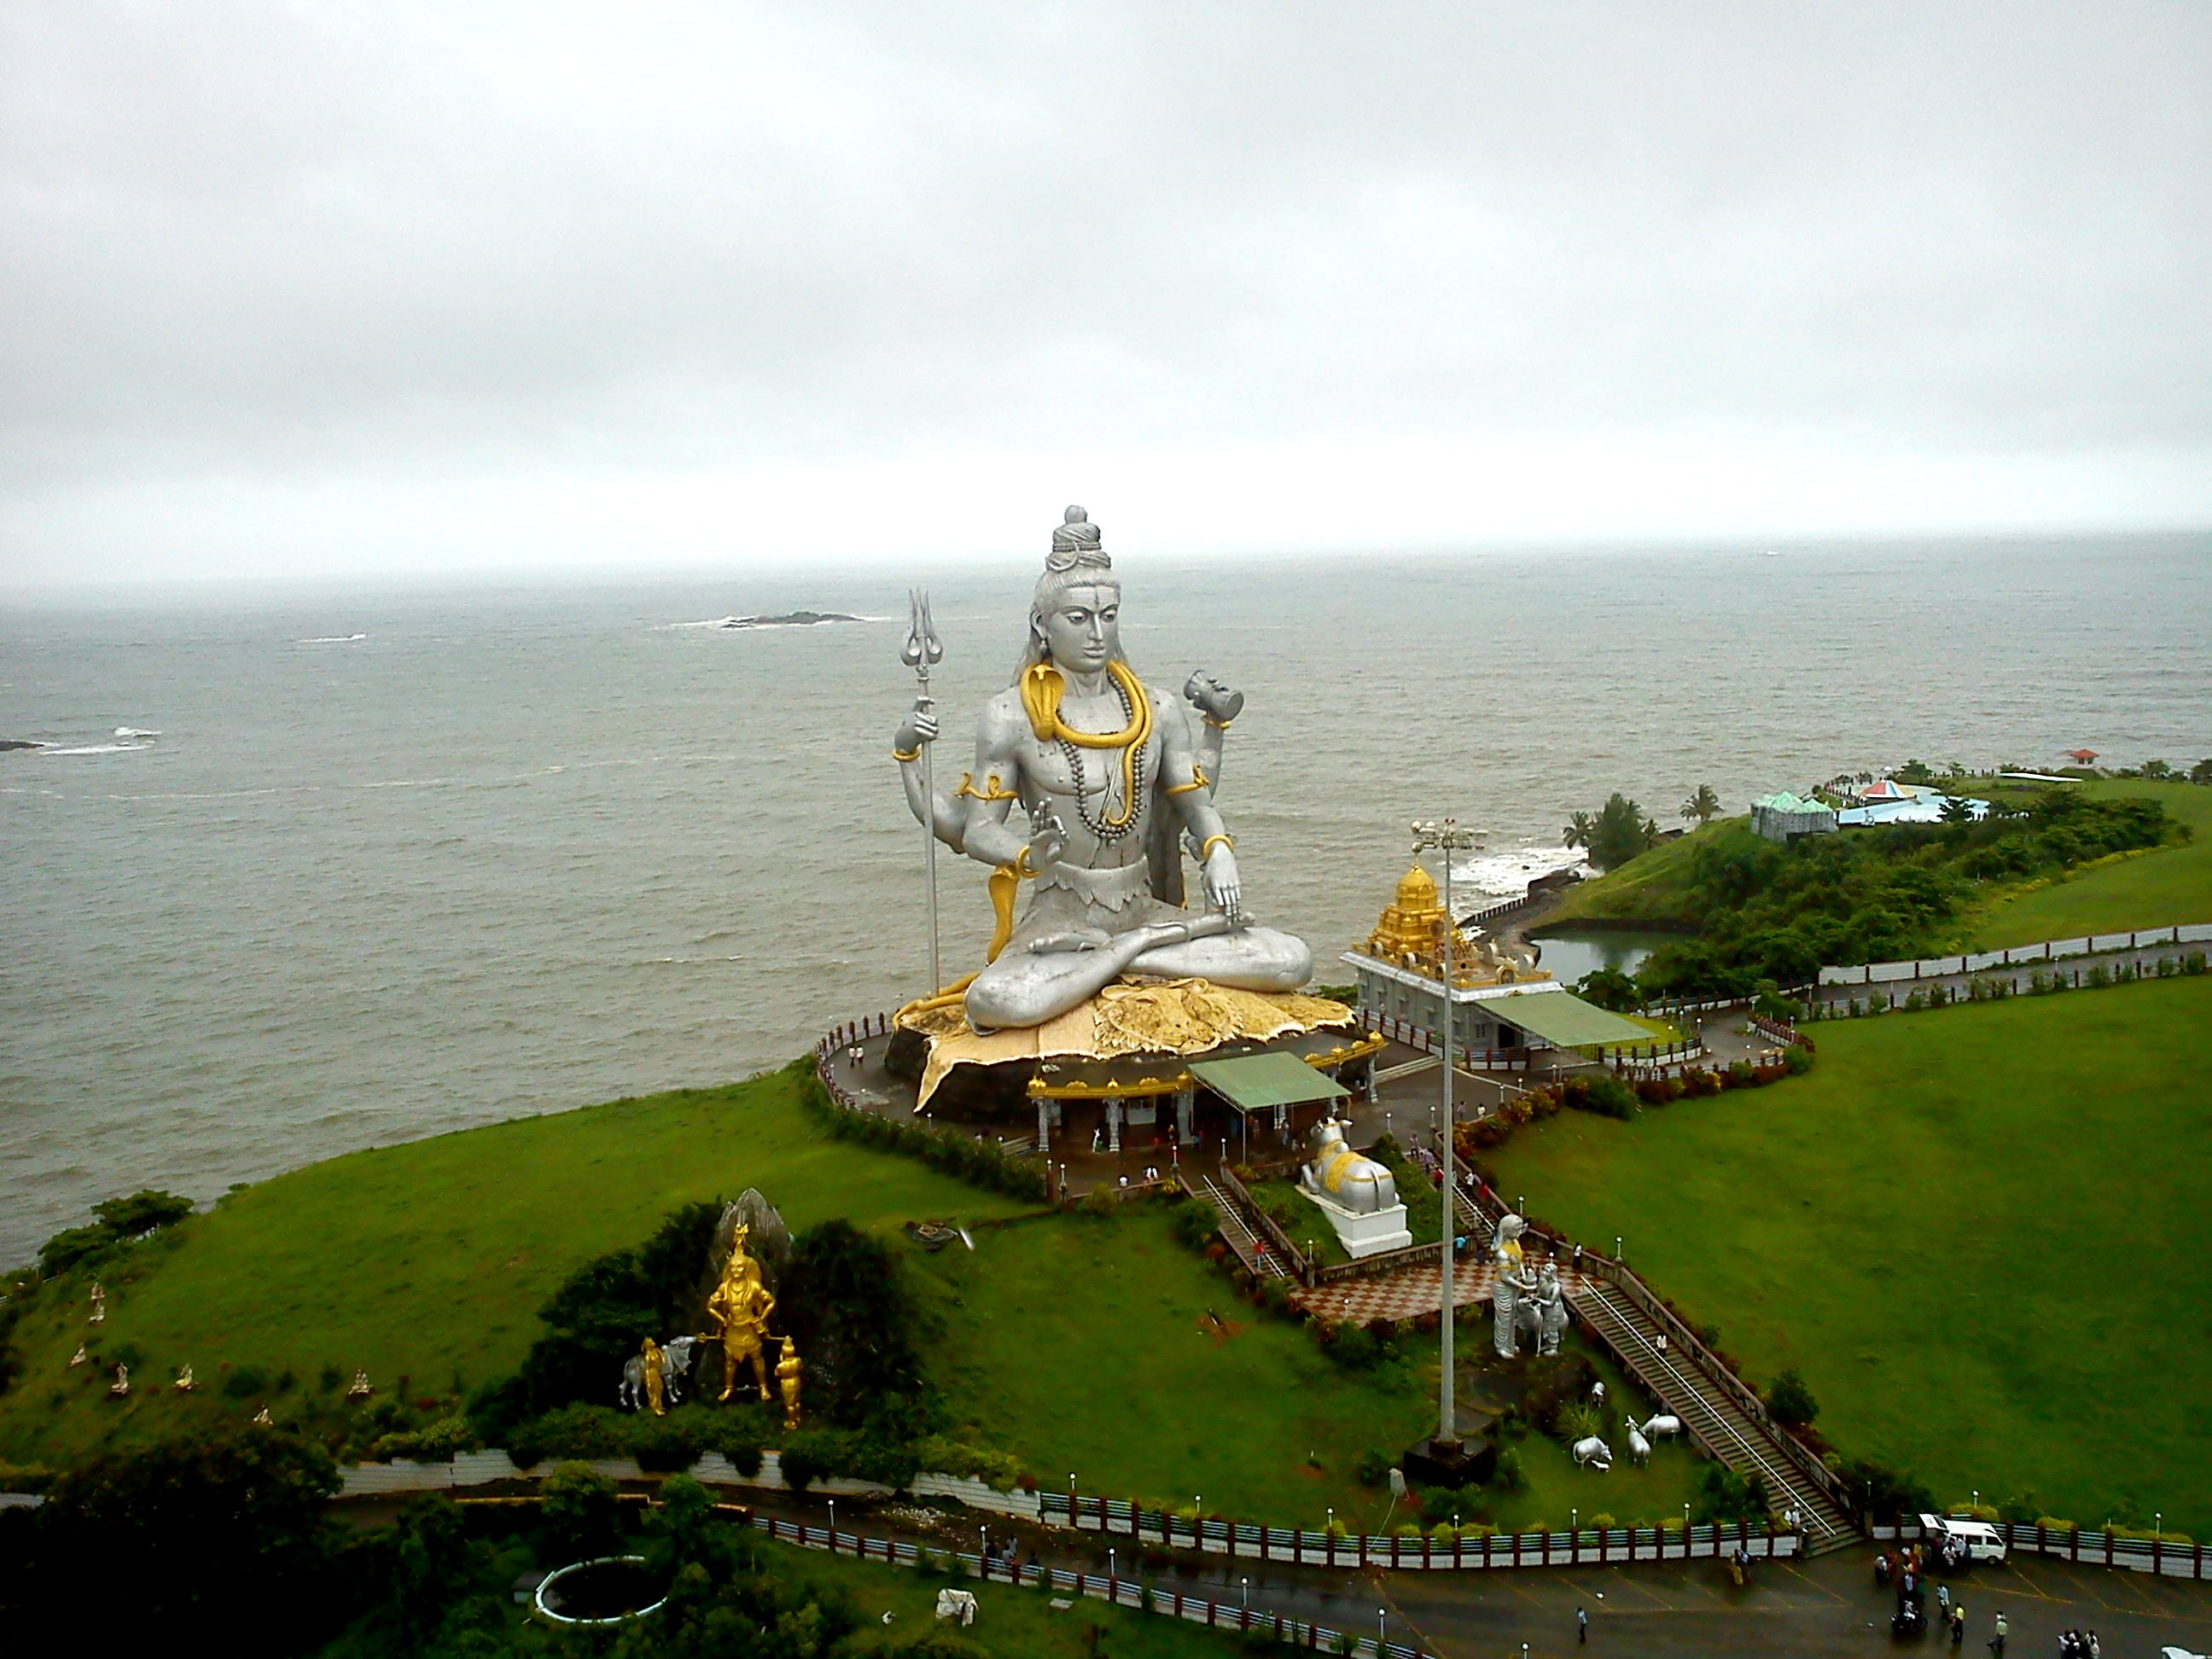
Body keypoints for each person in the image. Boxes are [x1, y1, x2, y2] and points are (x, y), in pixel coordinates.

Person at [892, 509, 1312, 1032]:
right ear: (1042, 624)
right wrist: (1026, 854)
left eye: (1108, 616)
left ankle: (1125, 952)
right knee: (999, 1000)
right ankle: (1136, 955)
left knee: (1290, 959)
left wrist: (1219, 851)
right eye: (1078, 618)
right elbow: (978, 830)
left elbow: (1196, 804)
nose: (1097, 634)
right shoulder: (1010, 715)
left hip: (1144, 905)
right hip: (1063, 914)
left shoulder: (1155, 709)